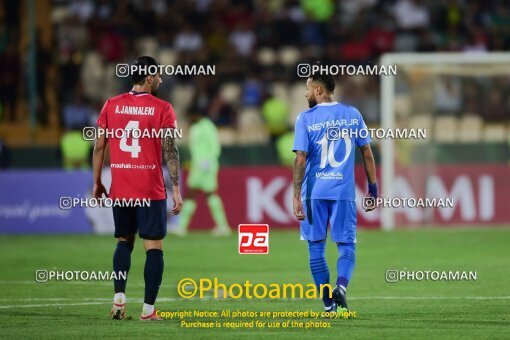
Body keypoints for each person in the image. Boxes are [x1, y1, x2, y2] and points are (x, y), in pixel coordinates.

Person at [92, 56, 183, 321]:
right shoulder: (163, 108)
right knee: (153, 247)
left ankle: (119, 300)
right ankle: (148, 310)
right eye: (159, 76)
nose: (162, 81)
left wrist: (97, 182)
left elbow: (99, 146)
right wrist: (176, 188)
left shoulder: (111, 104)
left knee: (124, 242)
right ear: (150, 77)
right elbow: (170, 149)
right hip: (150, 189)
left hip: (121, 189)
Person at [292, 72, 377, 314]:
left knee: (316, 248)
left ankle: (328, 305)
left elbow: (300, 158)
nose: (306, 93)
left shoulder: (305, 118)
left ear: (318, 90)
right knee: (347, 246)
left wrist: (296, 195)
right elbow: (367, 153)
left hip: (314, 193)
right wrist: (373, 189)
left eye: (308, 88)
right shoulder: (353, 114)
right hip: (344, 192)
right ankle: (341, 287)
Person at [172, 111, 231, 236]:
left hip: (205, 164)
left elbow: (215, 145)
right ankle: (222, 226)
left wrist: (208, 160)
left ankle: (182, 227)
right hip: (200, 164)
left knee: (193, 193)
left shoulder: (207, 126)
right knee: (206, 194)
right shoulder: (197, 127)